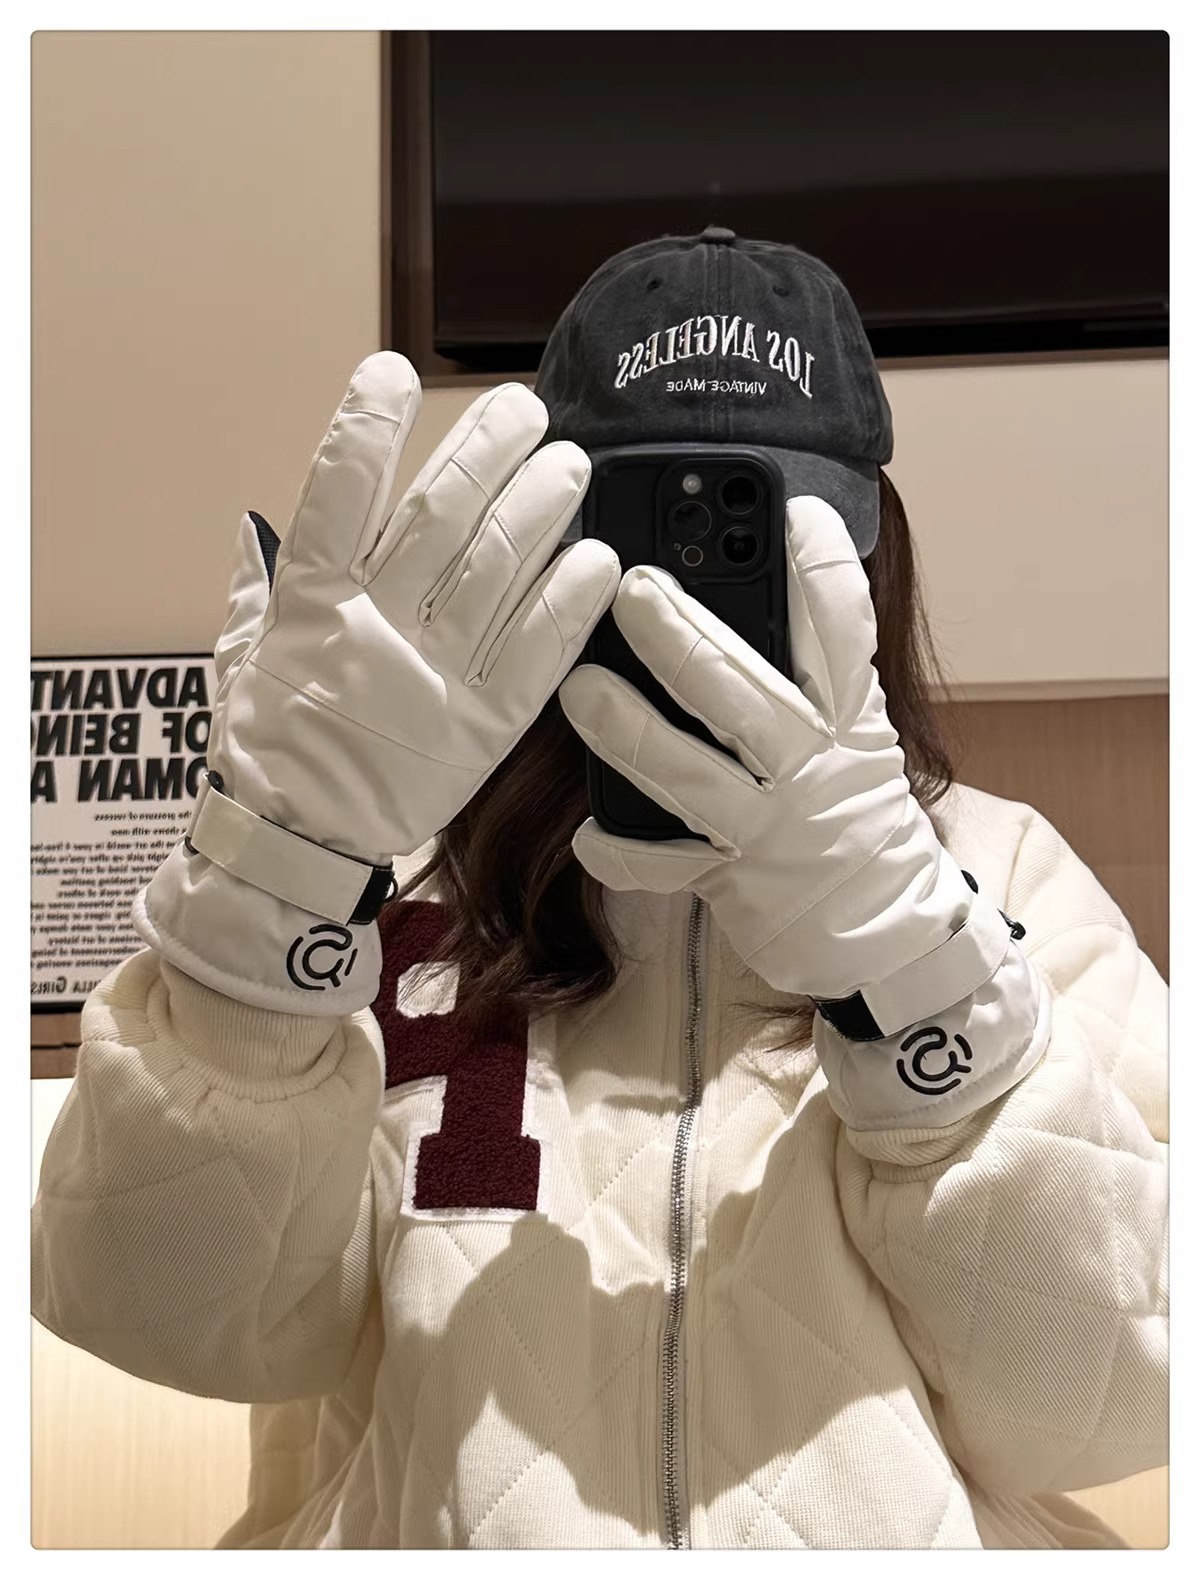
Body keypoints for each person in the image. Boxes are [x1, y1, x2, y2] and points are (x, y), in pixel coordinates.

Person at [31, 231, 1167, 1550]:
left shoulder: (996, 874)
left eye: (755, 536)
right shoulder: (375, 880)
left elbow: (1125, 1405)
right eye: (636, 538)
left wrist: (920, 975)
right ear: (538, 548)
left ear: (869, 556)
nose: (688, 596)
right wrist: (272, 881)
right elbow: (159, 1314)